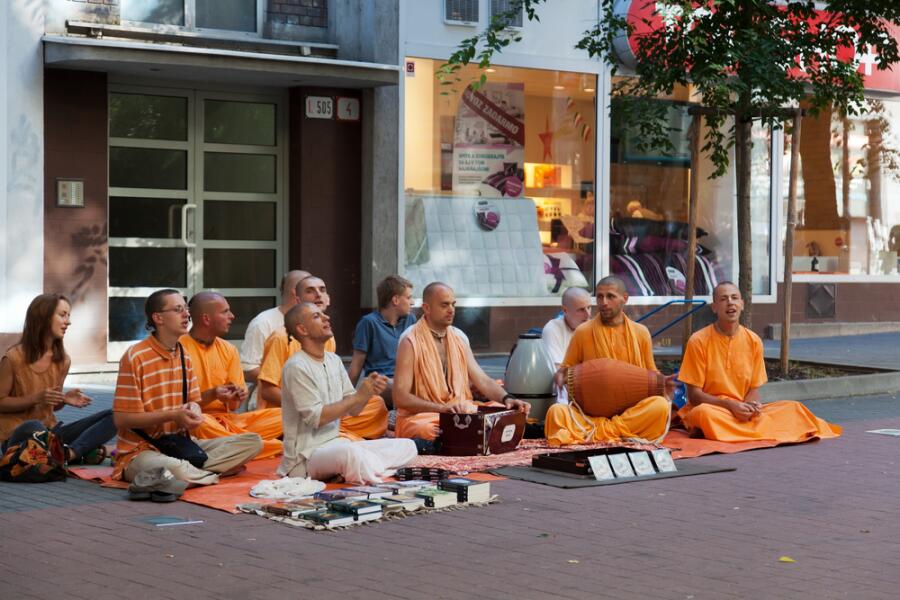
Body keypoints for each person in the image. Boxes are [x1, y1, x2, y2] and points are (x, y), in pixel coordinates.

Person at [112, 289, 262, 484]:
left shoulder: (183, 354)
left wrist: (194, 411)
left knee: (253, 442)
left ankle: (190, 474)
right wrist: (173, 415)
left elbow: (194, 402)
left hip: (180, 444)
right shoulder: (136, 357)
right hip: (140, 450)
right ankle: (202, 472)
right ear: (158, 318)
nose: (186, 314)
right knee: (175, 468)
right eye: (177, 309)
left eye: (185, 309)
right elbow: (122, 419)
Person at [678, 282, 841, 442]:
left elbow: (753, 389)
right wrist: (730, 406)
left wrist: (751, 407)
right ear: (714, 307)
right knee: (704, 414)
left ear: (742, 304)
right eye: (723, 299)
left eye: (734, 298)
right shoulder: (698, 341)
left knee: (793, 408)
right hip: (715, 409)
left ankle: (738, 431)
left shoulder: (753, 340)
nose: (730, 303)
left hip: (741, 410)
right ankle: (759, 431)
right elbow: (694, 396)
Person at [278, 303, 417, 483]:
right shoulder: (296, 366)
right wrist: (359, 395)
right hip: (306, 458)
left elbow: (354, 411)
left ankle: (361, 470)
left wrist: (367, 392)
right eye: (316, 316)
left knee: (407, 446)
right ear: (302, 329)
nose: (326, 318)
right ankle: (368, 472)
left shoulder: (334, 360)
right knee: (351, 453)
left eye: (324, 314)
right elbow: (316, 418)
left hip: (336, 444)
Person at [545, 276, 675, 446]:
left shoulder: (640, 333)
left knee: (660, 406)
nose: (604, 302)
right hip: (590, 413)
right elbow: (566, 368)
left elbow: (650, 373)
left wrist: (662, 383)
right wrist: (562, 376)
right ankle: (614, 432)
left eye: (611, 296)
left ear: (625, 299)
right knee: (556, 413)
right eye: (599, 297)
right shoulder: (583, 332)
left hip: (630, 410)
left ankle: (597, 433)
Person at [393, 282, 530, 441]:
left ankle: (470, 433)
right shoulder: (410, 341)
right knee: (430, 430)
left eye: (453, 304)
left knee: (506, 413)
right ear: (427, 308)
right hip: (424, 416)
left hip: (461, 411)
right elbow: (400, 397)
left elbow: (482, 380)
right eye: (444, 305)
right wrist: (442, 409)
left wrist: (508, 399)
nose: (451, 309)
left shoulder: (459, 338)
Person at [258, 276, 387, 440]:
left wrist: (366, 392)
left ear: (328, 299)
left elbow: (348, 403)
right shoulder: (281, 339)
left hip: (325, 413)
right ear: (298, 300)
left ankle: (336, 429)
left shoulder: (329, 341)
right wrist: (315, 407)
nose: (318, 295)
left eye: (322, 290)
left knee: (376, 406)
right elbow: (268, 391)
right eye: (310, 291)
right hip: (287, 412)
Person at [0, 293, 115, 465]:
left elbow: (51, 404)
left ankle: (70, 453)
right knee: (34, 426)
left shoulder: (63, 360)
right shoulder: (13, 358)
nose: (68, 322)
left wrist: (63, 399)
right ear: (43, 317)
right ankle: (78, 451)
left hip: (51, 434)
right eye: (62, 315)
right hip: (17, 438)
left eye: (68, 316)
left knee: (117, 414)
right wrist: (35, 398)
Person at [180, 292, 283, 459]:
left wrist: (237, 395)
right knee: (196, 420)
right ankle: (266, 446)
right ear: (206, 319)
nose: (232, 316)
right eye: (225, 312)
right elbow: (177, 405)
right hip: (200, 423)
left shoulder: (229, 350)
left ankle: (243, 444)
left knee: (286, 415)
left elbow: (234, 406)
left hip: (230, 423)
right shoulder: (178, 349)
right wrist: (212, 394)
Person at [347, 275, 417, 409]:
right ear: (395, 300)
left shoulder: (411, 320)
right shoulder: (368, 323)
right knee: (391, 386)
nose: (412, 302)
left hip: (406, 380)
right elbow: (356, 365)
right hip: (382, 382)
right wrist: (345, 400)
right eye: (408, 298)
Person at [240, 269, 310, 385]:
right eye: (311, 290)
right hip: (273, 400)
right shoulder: (263, 322)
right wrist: (293, 386)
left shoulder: (319, 323)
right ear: (295, 292)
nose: (319, 295)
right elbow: (249, 370)